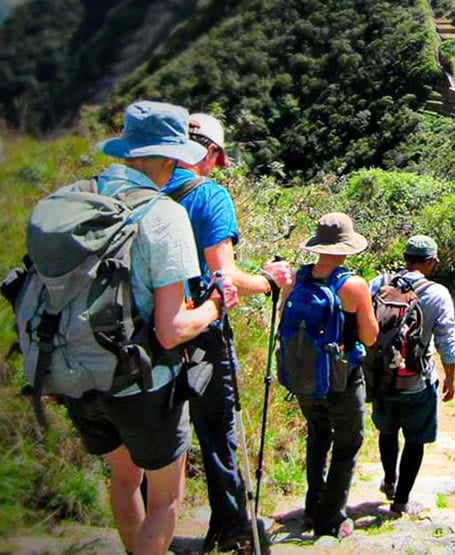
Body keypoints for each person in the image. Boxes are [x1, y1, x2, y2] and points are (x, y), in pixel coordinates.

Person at [62, 100, 240, 554]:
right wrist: (216, 306)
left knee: (124, 480)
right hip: (139, 381)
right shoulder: (164, 216)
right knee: (165, 499)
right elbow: (172, 328)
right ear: (172, 155)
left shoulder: (77, 199)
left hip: (74, 372)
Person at [160, 112, 292, 551]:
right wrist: (270, 281)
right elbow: (226, 276)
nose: (218, 169)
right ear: (211, 152)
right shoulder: (209, 196)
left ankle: (146, 533)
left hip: (144, 333)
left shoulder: (143, 191)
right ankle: (231, 529)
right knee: (216, 429)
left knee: (155, 433)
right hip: (198, 329)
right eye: (218, 159)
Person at [291, 213, 378, 538]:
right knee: (347, 443)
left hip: (304, 376)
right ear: (346, 248)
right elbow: (369, 337)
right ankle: (331, 518)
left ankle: (313, 508)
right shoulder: (353, 286)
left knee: (317, 435)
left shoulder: (297, 280)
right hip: (343, 377)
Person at [369, 235, 455, 514]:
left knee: (387, 431)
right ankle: (401, 500)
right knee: (415, 439)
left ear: (406, 257)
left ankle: (390, 480)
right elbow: (446, 339)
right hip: (418, 381)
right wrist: (450, 377)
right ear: (430, 261)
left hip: (382, 376)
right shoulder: (437, 293)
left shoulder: (379, 284)